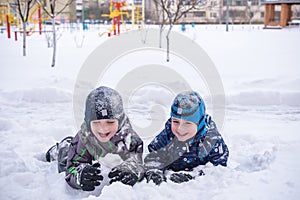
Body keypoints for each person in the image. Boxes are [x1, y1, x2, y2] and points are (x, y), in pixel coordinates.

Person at [46, 86, 144, 191]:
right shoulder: (84, 138)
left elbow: (137, 162)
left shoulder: (129, 137)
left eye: (110, 122)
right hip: (83, 149)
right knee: (64, 162)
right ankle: (62, 147)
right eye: (96, 123)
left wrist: (131, 169)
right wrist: (79, 175)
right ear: (88, 123)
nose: (103, 128)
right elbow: (72, 168)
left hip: (110, 148)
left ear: (120, 121)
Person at [144, 91, 229, 185]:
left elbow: (218, 167)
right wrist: (154, 171)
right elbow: (155, 155)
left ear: (199, 124)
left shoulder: (211, 140)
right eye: (176, 122)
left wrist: (193, 175)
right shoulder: (168, 136)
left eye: (187, 123)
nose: (180, 128)